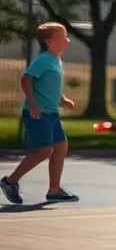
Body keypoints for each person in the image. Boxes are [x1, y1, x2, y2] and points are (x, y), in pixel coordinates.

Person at [1, 22, 79, 206]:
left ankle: (54, 190)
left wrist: (62, 99)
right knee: (45, 150)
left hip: (51, 113)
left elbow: (48, 85)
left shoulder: (56, 59)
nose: (67, 40)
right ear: (50, 41)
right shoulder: (44, 59)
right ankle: (10, 182)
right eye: (63, 37)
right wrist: (34, 105)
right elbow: (26, 80)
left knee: (60, 147)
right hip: (37, 113)